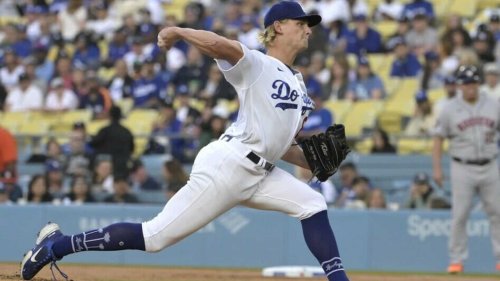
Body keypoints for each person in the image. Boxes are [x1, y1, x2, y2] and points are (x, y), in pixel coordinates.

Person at [20, 2, 351, 281]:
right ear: (278, 26)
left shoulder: (299, 83)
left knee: (313, 204)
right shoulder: (256, 64)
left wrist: (316, 161)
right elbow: (218, 44)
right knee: (154, 237)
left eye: (309, 25)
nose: (308, 29)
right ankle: (57, 244)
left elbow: (284, 148)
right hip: (230, 165)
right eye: (301, 23)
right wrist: (178, 32)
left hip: (263, 171)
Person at [432, 65, 500, 273]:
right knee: (460, 214)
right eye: (466, 83)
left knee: (497, 213)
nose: (470, 87)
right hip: (462, 165)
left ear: (479, 83)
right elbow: (438, 138)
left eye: (473, 82)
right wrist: (437, 168)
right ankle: (456, 260)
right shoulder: (450, 108)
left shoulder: (494, 105)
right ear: (460, 86)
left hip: (489, 164)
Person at [89, 106, 134, 179]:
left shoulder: (105, 130)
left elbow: (93, 143)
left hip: (106, 164)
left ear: (109, 116)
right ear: (120, 116)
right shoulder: (126, 131)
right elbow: (132, 149)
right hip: (123, 165)